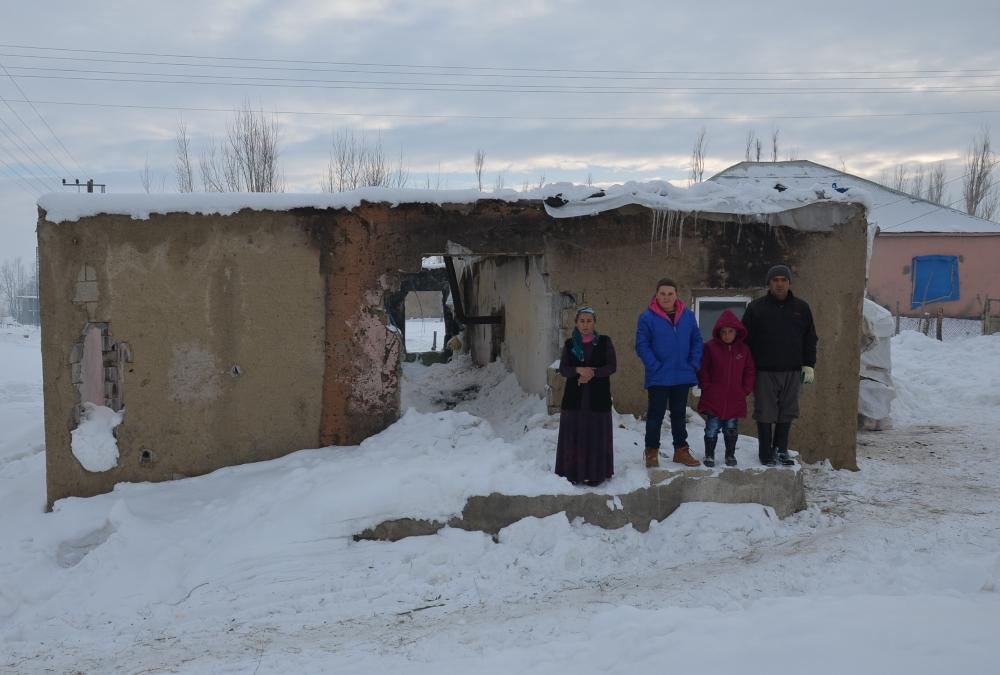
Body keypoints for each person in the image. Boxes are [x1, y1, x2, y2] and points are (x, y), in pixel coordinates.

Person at [741, 265, 818, 467]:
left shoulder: (801, 309)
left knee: (788, 410)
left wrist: (808, 364)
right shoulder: (756, 308)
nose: (780, 284)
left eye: (784, 280)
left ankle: (781, 450)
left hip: (792, 370)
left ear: (789, 283)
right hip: (764, 371)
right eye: (775, 280)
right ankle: (766, 453)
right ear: (769, 283)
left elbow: (810, 338)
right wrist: (746, 367)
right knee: (765, 411)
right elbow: (744, 340)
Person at [635, 278, 703, 468]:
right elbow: (642, 345)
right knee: (656, 414)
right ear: (656, 295)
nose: (666, 297)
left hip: (682, 374)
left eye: (670, 294)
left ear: (676, 295)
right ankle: (651, 452)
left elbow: (697, 340)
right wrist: (654, 366)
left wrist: (693, 363)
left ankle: (681, 451)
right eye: (662, 293)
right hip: (659, 375)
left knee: (679, 414)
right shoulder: (647, 317)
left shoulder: (688, 316)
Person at [555, 306, 616, 486]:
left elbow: (611, 366)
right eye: (582, 321)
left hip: (598, 398)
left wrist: (592, 373)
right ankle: (573, 473)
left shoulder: (604, 342)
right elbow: (564, 369)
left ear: (594, 323)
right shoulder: (569, 344)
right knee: (575, 434)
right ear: (576, 323)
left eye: (589, 321)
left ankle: (596, 474)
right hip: (575, 399)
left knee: (595, 435)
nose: (585, 324)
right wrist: (578, 370)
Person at [697, 309, 756, 467]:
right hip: (713, 398)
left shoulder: (744, 350)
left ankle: (730, 455)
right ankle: (709, 455)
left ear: (737, 332)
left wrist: (745, 389)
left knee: (731, 428)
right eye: (723, 332)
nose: (727, 335)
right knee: (712, 428)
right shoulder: (710, 348)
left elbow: (750, 370)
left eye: (730, 331)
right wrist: (707, 387)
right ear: (718, 332)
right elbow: (703, 369)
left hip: (735, 398)